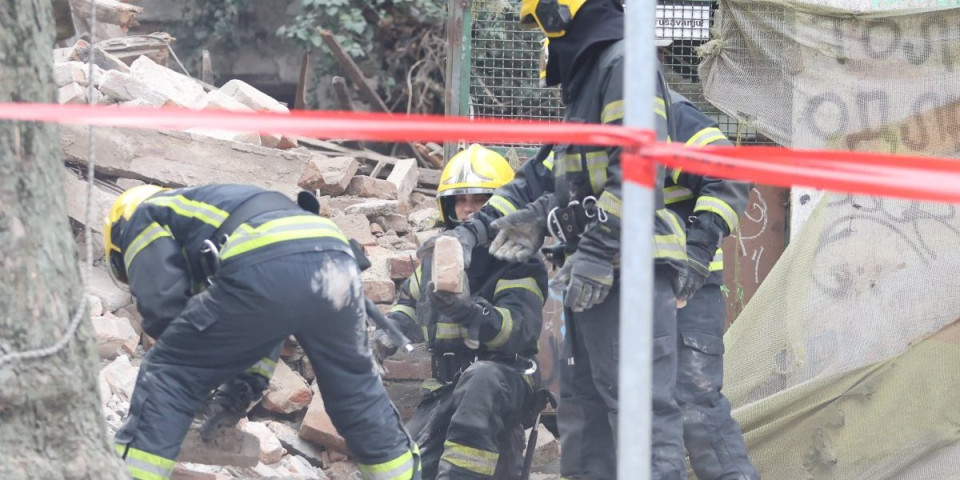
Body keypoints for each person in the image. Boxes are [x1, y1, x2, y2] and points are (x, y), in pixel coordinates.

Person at [442, 0, 690, 477]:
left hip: (628, 271)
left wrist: (598, 250)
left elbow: (640, 172)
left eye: (542, 22)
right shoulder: (593, 78)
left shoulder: (624, 63)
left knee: (639, 415)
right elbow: (570, 183)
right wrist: (536, 219)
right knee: (583, 412)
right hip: (592, 273)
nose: (546, 38)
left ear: (562, 13)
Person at [103, 183, 420, 480]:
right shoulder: (219, 224)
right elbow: (261, 328)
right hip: (335, 254)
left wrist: (191, 385)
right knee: (354, 392)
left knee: (168, 374)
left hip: (271, 257)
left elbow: (163, 303)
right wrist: (230, 405)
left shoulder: (141, 215)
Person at [373, 145, 550, 480]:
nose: (469, 210)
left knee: (481, 379)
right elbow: (408, 307)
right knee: (402, 469)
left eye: (480, 201)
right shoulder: (438, 259)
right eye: (461, 200)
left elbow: (518, 331)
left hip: (502, 381)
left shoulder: (518, 262)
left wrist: (470, 313)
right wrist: (384, 336)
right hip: (443, 387)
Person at [666, 92, 759, 480]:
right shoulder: (591, 121)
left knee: (696, 407)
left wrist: (697, 250)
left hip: (687, 290)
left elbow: (728, 171)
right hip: (623, 293)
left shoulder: (665, 114)